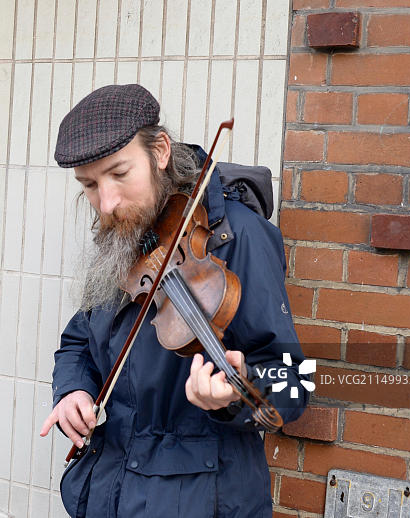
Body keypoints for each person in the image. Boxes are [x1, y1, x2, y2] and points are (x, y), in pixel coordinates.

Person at [38, 84, 310, 517]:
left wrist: (234, 398)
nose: (106, 203)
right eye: (89, 185)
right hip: (110, 492)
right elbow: (78, 339)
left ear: (160, 151)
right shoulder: (127, 235)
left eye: (120, 174)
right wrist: (72, 389)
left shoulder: (239, 238)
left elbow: (292, 383)